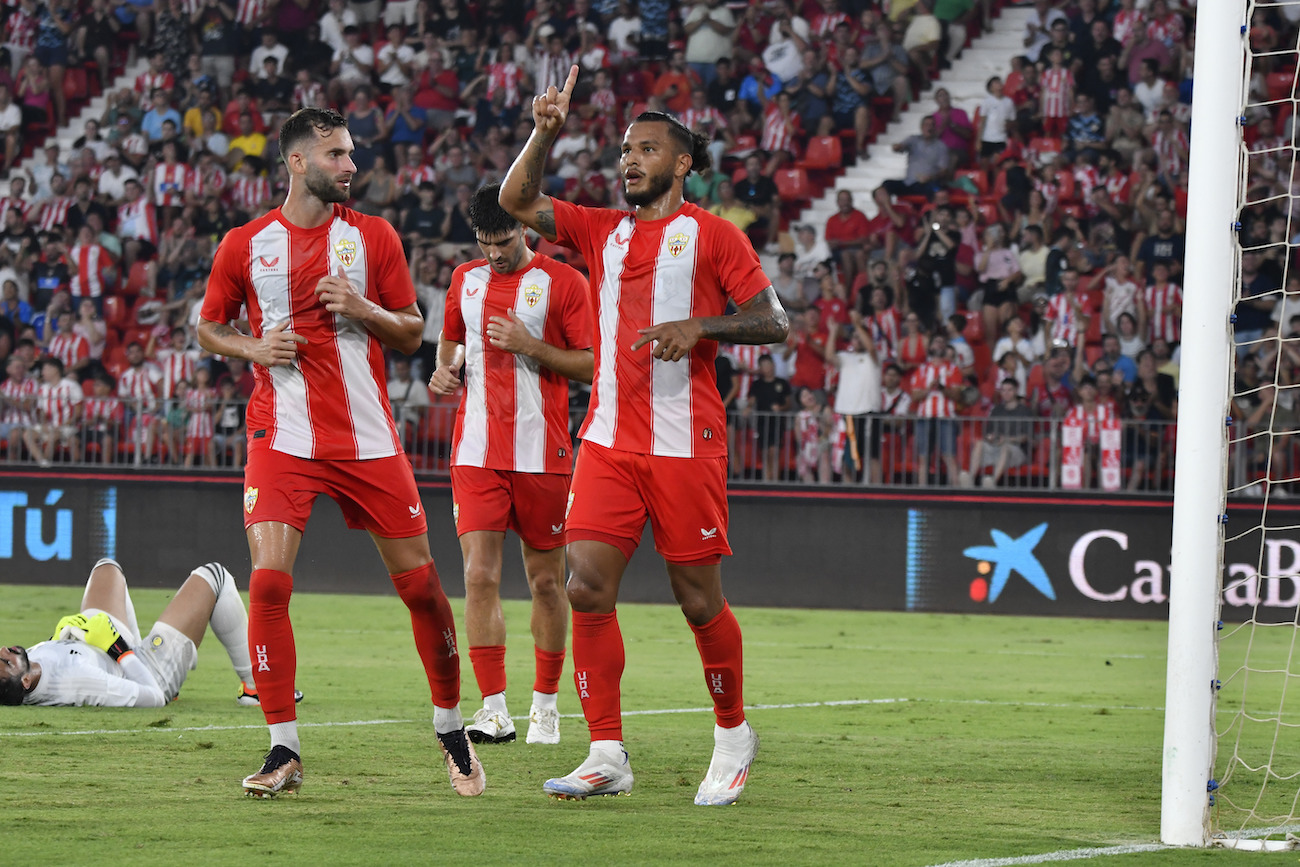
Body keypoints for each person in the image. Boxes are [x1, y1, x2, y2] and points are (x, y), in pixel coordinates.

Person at [500, 66, 788, 805]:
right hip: (606, 441)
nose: (630, 159)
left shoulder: (714, 237)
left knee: (697, 598)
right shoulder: (604, 231)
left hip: (685, 442)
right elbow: (517, 200)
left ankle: (732, 734)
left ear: (682, 163)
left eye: (648, 149)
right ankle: (606, 752)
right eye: (626, 149)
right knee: (586, 586)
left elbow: (774, 321)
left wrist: (702, 325)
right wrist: (545, 130)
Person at [196, 107, 483, 800]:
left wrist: (362, 308)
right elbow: (207, 325)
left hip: (367, 438)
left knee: (421, 588)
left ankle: (450, 724)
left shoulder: (374, 237)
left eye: (350, 153)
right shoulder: (246, 243)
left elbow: (414, 332)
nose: (350, 165)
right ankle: (283, 747)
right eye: (335, 154)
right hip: (282, 434)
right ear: (296, 162)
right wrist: (253, 348)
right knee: (267, 585)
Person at [429, 183, 593, 747]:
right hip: (476, 452)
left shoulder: (563, 284)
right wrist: (444, 370)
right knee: (478, 576)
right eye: (484, 242)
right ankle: (493, 707)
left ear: (523, 227)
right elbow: (449, 342)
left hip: (542, 456)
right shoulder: (464, 282)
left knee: (547, 582)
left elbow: (593, 365)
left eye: (502, 240)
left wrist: (532, 345)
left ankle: (545, 705)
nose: (494, 253)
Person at [0, 559, 300, 708]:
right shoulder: (78, 680)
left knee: (107, 568)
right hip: (144, 671)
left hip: (105, 647)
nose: (4, 652)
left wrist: (63, 636)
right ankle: (255, 686)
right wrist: (120, 649)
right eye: (7, 663)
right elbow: (153, 697)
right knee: (215, 576)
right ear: (25, 682)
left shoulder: (29, 670)